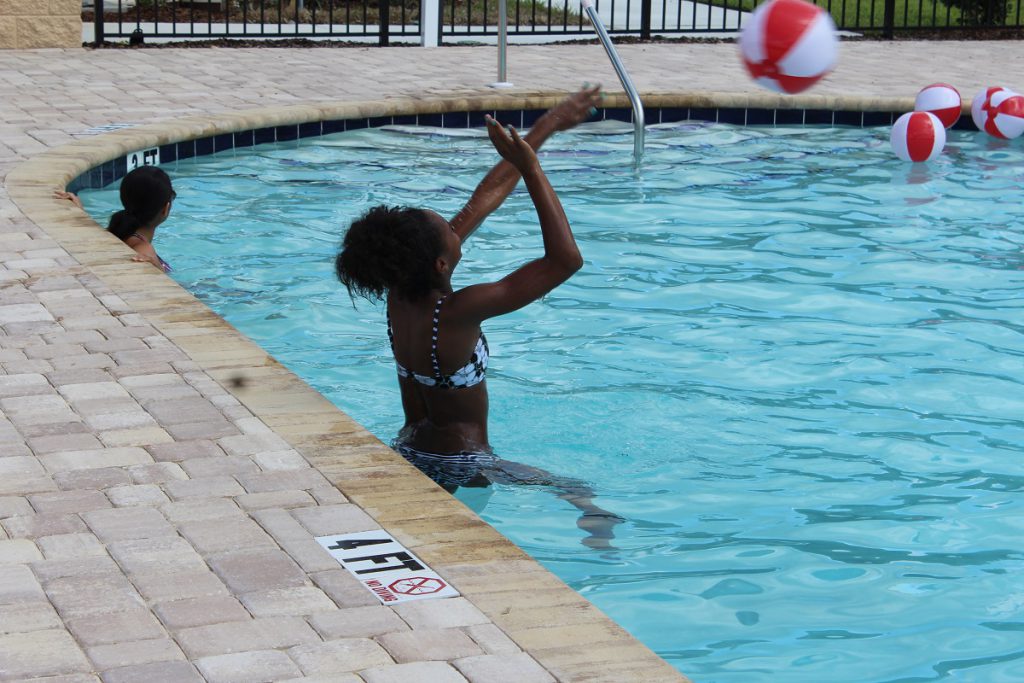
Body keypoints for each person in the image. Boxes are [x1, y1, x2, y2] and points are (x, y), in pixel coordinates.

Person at [335, 87, 624, 549]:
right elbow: (565, 260)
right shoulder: (458, 311)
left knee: (417, 545)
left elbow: (482, 200)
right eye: (447, 230)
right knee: (574, 488)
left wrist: (544, 128)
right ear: (441, 265)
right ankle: (588, 511)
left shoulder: (400, 291)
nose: (457, 225)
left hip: (411, 447)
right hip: (464, 461)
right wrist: (532, 169)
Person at [55, 165, 175, 272]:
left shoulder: (116, 231)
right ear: (165, 209)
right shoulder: (144, 249)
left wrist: (81, 214)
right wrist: (159, 270)